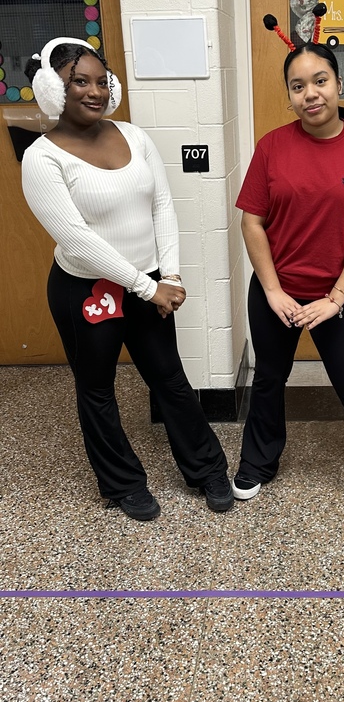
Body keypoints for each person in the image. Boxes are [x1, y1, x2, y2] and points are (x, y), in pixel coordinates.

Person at [21, 37, 233, 521]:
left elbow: (161, 204)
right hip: (85, 289)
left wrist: (170, 276)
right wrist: (146, 286)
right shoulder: (43, 157)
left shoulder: (135, 136)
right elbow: (76, 239)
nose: (94, 92)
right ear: (54, 88)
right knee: (97, 389)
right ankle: (122, 484)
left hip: (151, 282)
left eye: (101, 81)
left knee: (170, 379)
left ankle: (206, 469)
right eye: (80, 81)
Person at [232, 41, 344, 528]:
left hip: (336, 296)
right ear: (289, 95)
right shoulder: (272, 146)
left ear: (339, 84)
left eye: (320, 81)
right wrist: (272, 291)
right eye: (297, 85)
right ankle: (257, 463)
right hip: (277, 291)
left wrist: (336, 299)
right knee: (268, 380)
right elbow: (252, 223)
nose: (310, 93)